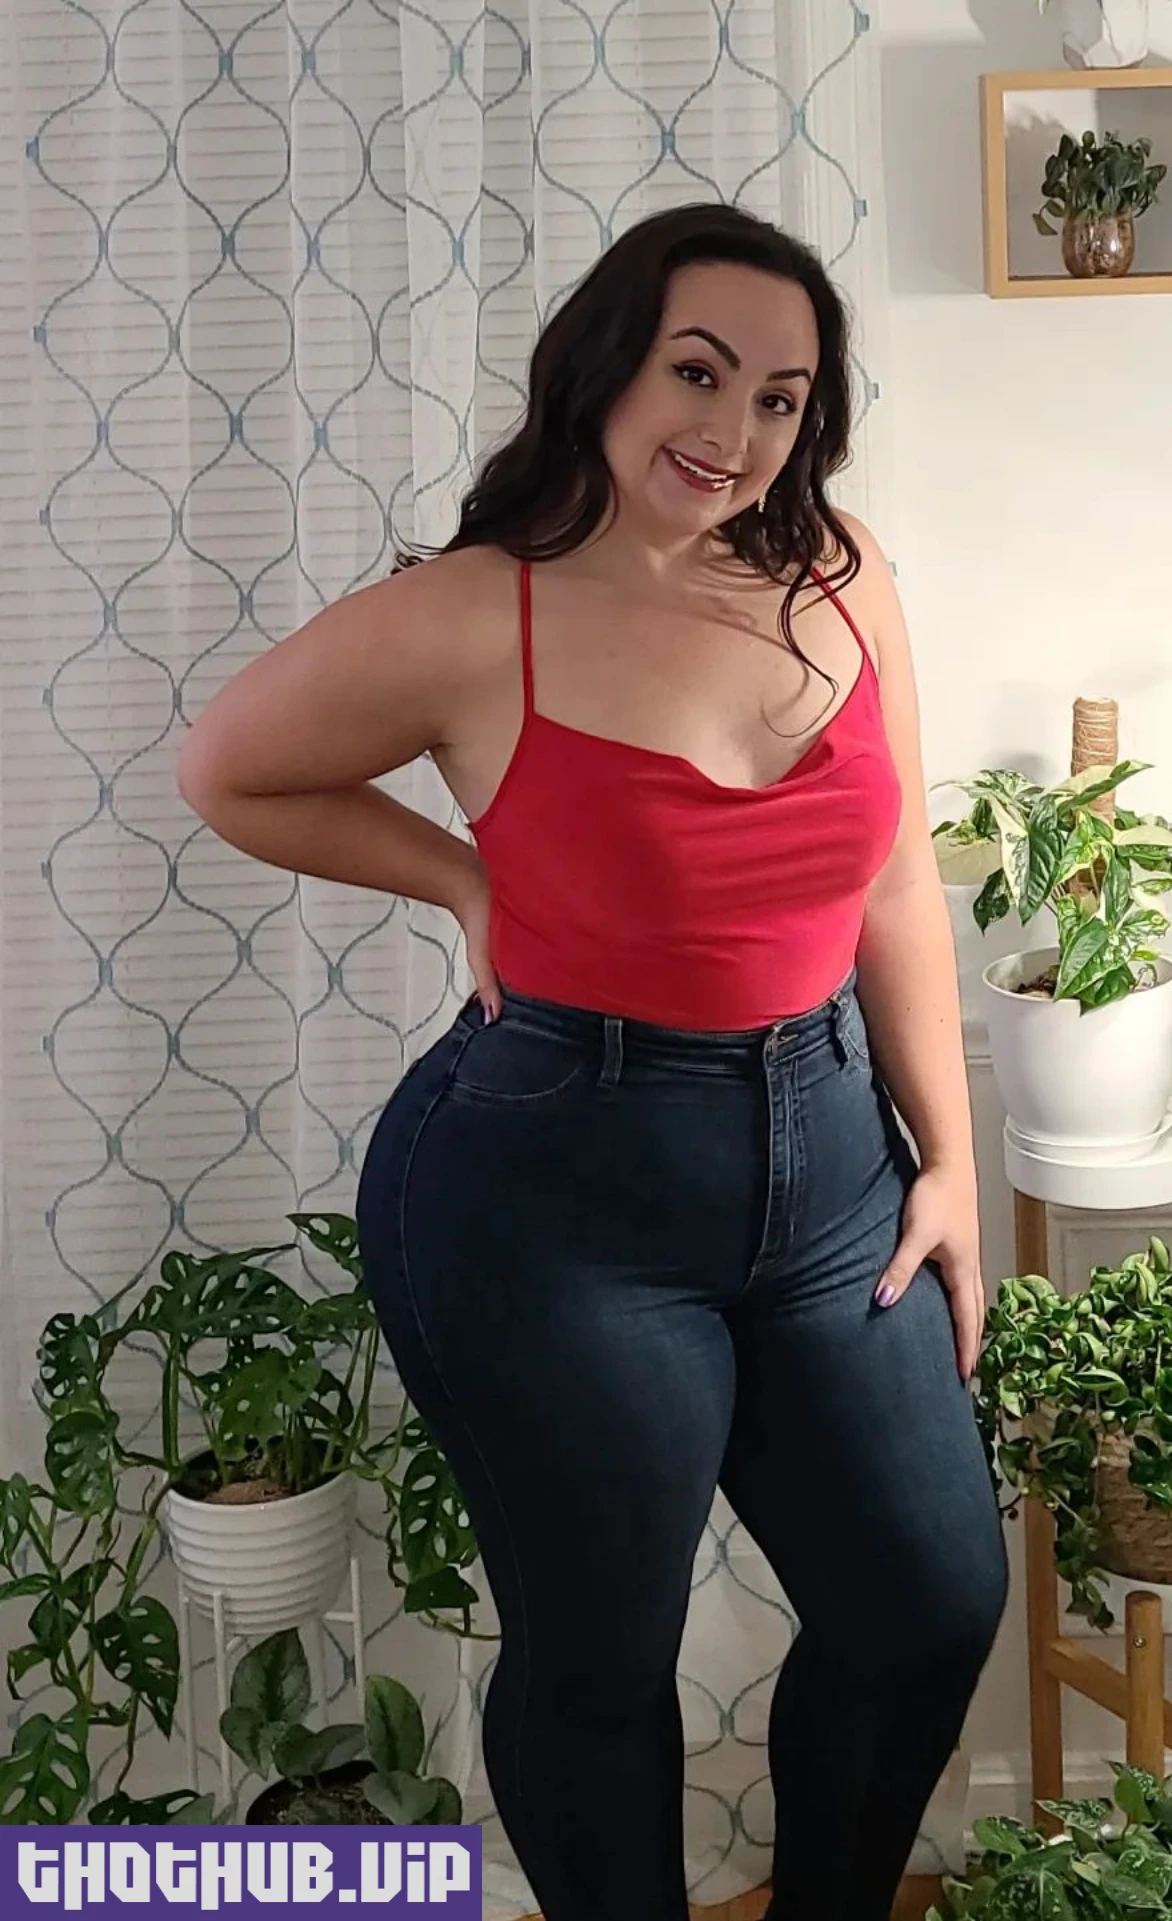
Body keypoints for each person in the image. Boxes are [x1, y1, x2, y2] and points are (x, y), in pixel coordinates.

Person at [177, 201, 1010, 1921]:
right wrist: (460, 877)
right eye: (698, 373)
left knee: (928, 1602)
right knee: (603, 1659)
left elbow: (893, 876)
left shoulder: (840, 572)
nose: (735, 432)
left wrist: (948, 1158)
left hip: (833, 1160)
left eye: (780, 398)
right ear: (608, 365)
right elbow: (231, 770)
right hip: (558, 1195)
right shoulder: (480, 612)